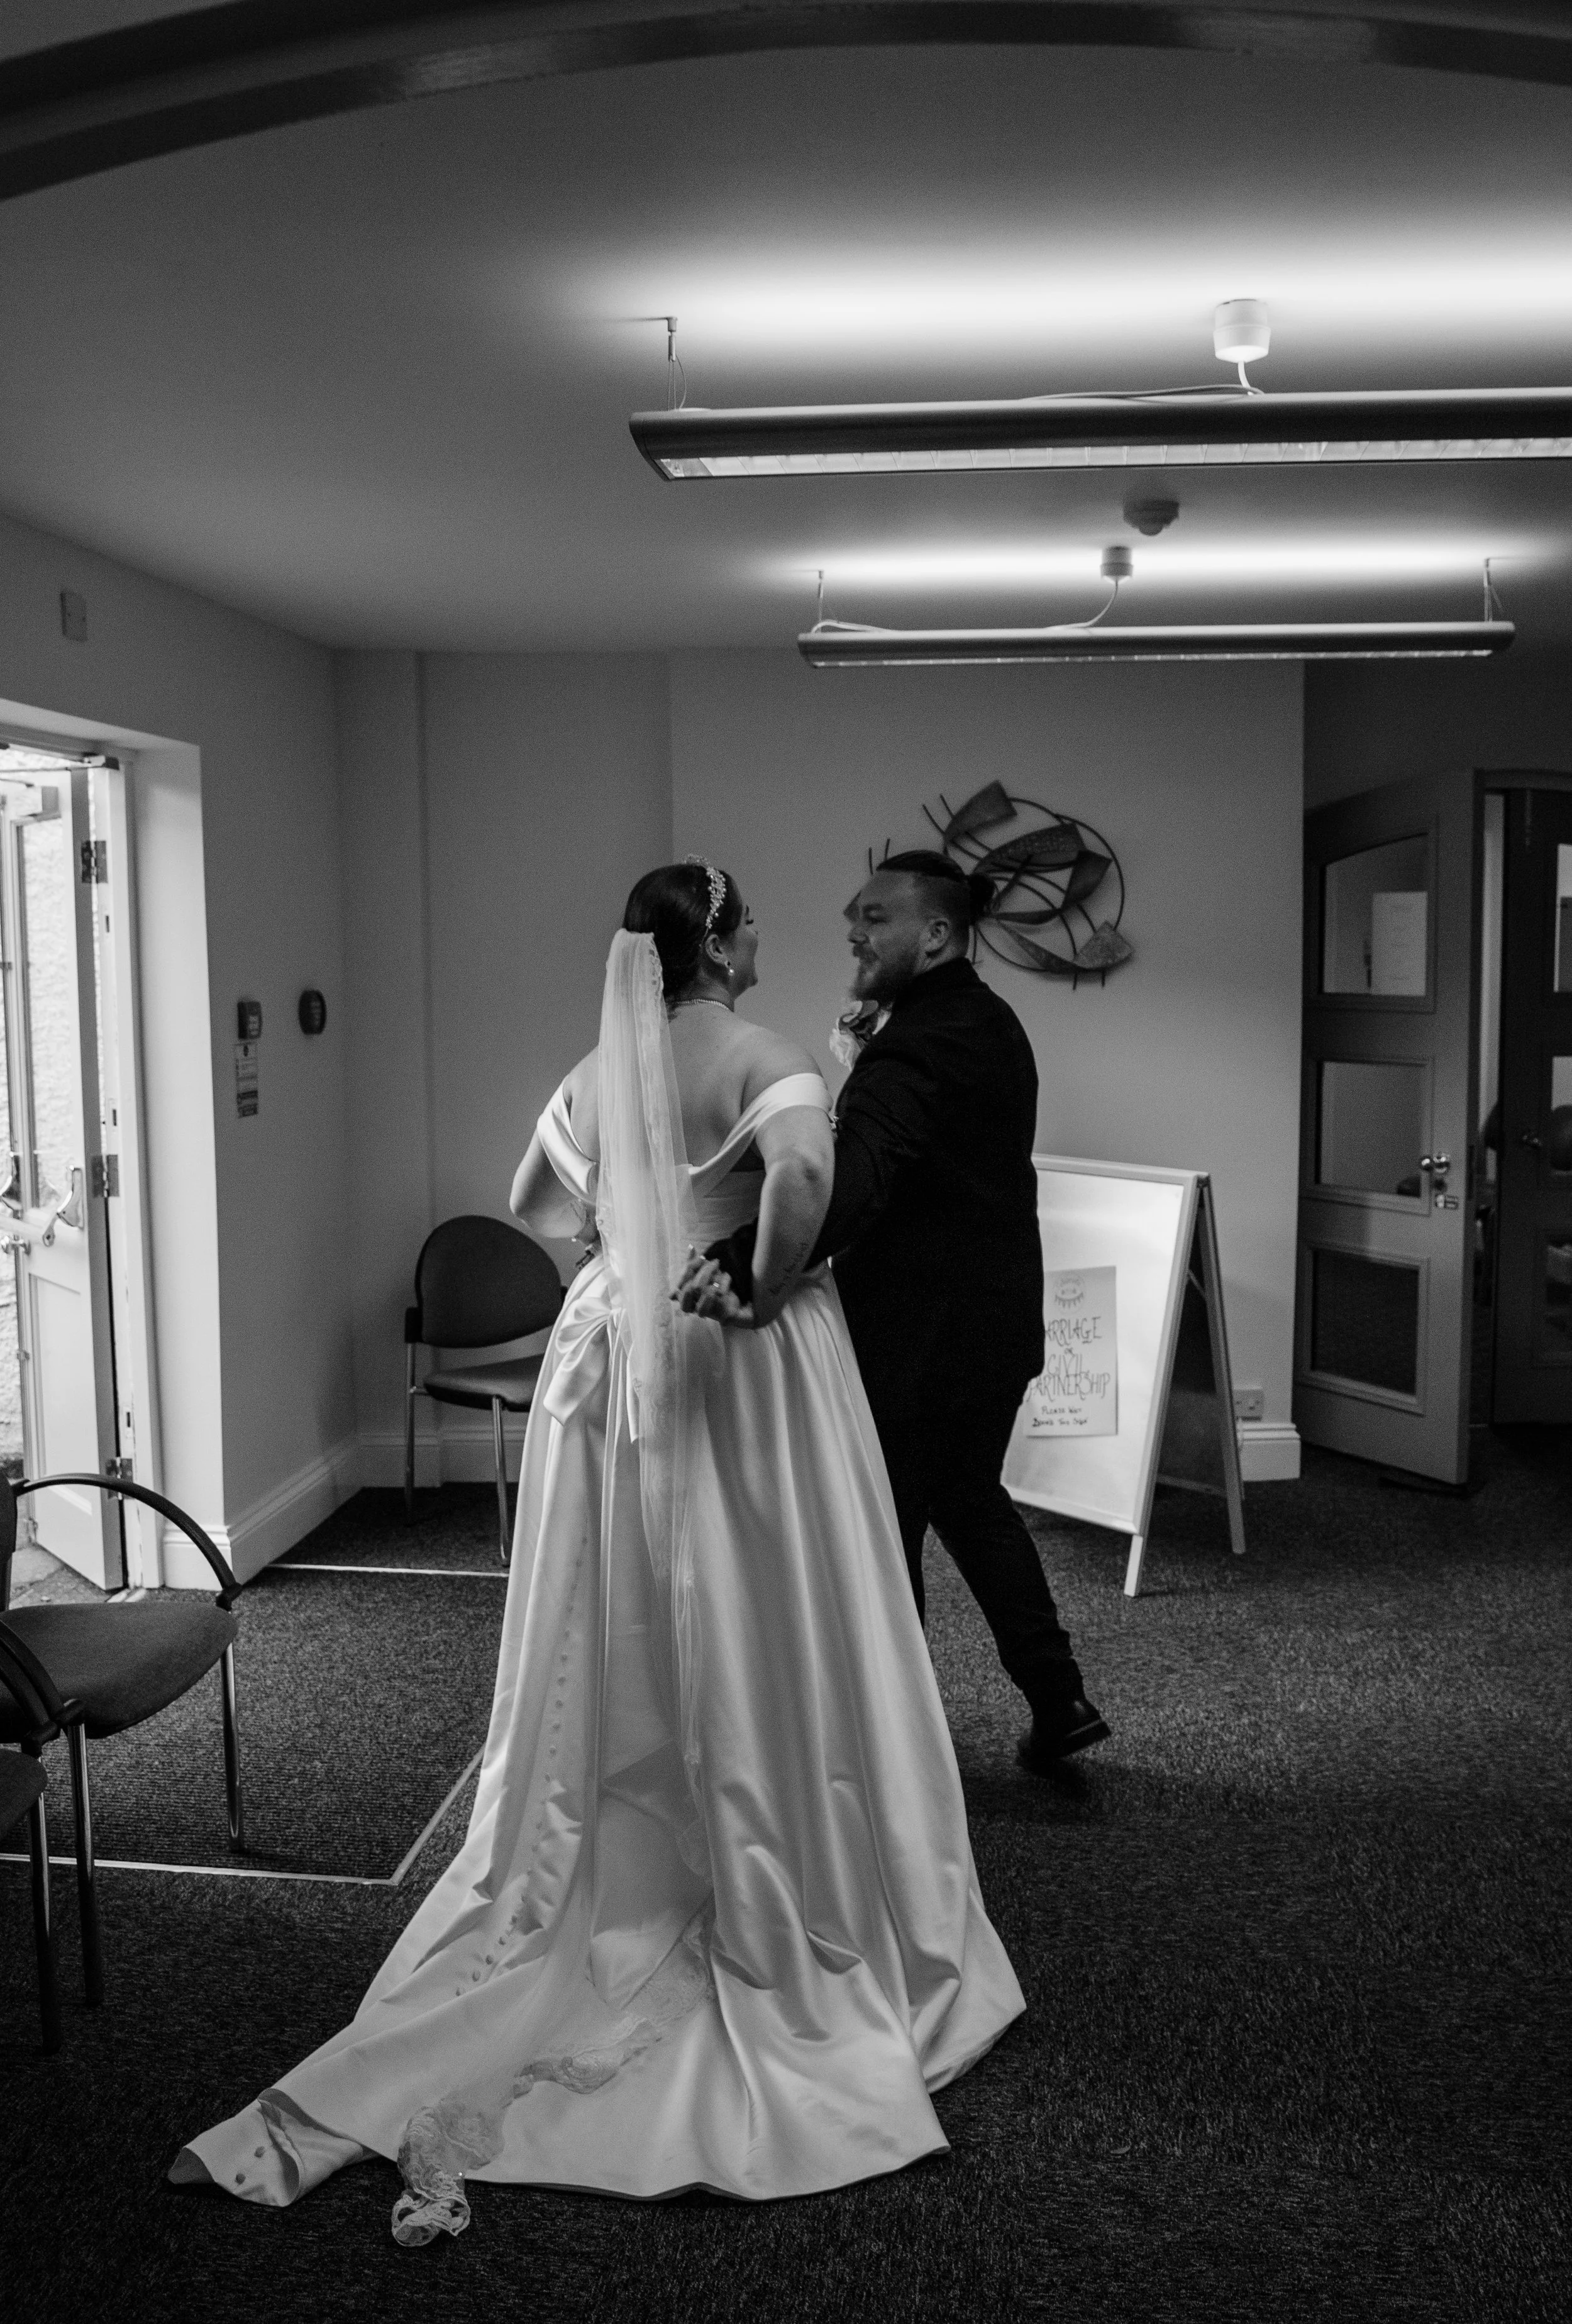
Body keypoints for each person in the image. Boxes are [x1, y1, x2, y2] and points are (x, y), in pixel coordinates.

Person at [170, 859, 1022, 2243]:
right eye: (752, 928)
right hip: (738, 1355)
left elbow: (534, 1200)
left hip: (608, 1351)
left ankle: (618, 1837)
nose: (764, 946)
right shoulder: (761, 1052)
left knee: (613, 1597)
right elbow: (803, 1172)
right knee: (758, 1589)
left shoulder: (589, 1071)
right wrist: (768, 1273)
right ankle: (766, 1839)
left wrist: (625, 1253)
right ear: (725, 946)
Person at [681, 851, 1108, 1771]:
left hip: (917, 1340)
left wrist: (737, 1261)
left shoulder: (915, 1045)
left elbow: (855, 1182)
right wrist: (868, 1062)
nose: (853, 932)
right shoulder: (987, 1023)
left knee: (887, 1533)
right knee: (972, 1501)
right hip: (993, 1329)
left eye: (875, 918)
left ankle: (898, 1750)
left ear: (939, 934)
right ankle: (1059, 1696)